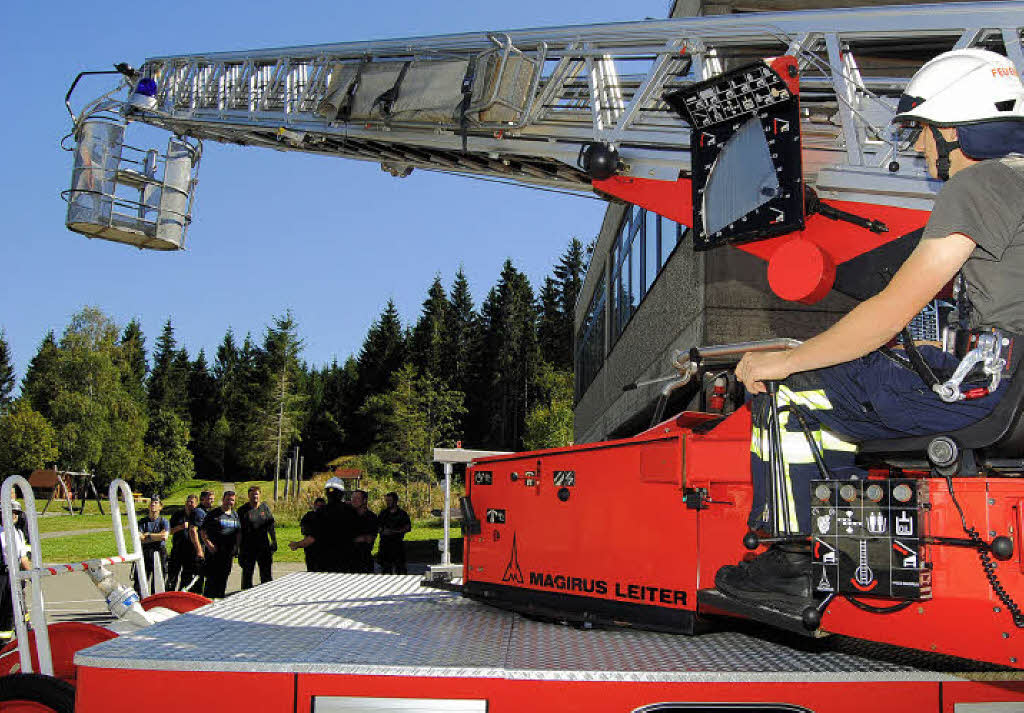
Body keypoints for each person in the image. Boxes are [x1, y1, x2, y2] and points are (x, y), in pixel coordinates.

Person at [715, 48, 1024, 606]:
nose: (922, 148)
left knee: (790, 395)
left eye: (924, 132)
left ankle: (793, 566)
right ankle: (851, 540)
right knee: (850, 391)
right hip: (1011, 383)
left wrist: (783, 360)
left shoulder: (977, 187)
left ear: (956, 130)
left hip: (983, 388)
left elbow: (890, 313)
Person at [289, 478, 354, 573]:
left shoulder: (321, 513)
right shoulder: (351, 511)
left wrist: (297, 544)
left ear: (327, 493)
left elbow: (312, 538)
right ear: (342, 493)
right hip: (347, 561)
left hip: (324, 562)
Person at [0, 502, 31, 642]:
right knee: (5, 611)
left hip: (15, 575)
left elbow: (23, 557)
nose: (14, 515)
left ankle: (26, 636)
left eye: (16, 513)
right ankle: (3, 643)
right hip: (2, 577)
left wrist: (32, 574)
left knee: (20, 607)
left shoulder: (18, 533)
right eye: (11, 512)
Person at [200, 491, 240, 598]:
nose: (229, 502)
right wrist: (209, 544)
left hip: (228, 554)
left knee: (223, 579)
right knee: (212, 579)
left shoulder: (235, 515)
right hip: (214, 553)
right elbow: (202, 531)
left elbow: (238, 532)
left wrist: (236, 547)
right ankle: (207, 602)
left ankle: (219, 599)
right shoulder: (213, 514)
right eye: (227, 499)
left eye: (232, 500)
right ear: (223, 499)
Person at [237, 486, 277, 590]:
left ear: (260, 495)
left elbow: (270, 526)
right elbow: (238, 531)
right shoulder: (242, 511)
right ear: (248, 496)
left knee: (266, 573)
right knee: (247, 573)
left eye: (257, 494)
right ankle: (245, 595)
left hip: (264, 546)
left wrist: (274, 540)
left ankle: (266, 592)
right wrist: (237, 548)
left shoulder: (265, 508)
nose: (255, 496)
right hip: (248, 547)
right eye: (252, 494)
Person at [167, 495, 204, 592]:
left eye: (192, 502)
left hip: (190, 552)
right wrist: (181, 527)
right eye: (188, 501)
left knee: (186, 577)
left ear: (196, 504)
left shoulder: (197, 516)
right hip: (177, 549)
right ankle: (169, 593)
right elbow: (169, 531)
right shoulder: (178, 514)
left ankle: (181, 594)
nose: (189, 504)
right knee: (172, 575)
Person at [136, 496, 169, 592]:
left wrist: (148, 535)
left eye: (156, 503)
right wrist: (156, 536)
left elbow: (164, 537)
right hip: (145, 552)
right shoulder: (142, 522)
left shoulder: (164, 521)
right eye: (152, 503)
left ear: (160, 507)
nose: (153, 504)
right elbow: (140, 538)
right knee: (141, 581)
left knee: (158, 582)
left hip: (159, 552)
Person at [377, 491, 412, 575]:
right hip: (385, 545)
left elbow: (407, 527)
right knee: (385, 570)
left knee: (400, 569)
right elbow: (377, 526)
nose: (388, 503)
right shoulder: (383, 513)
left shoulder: (402, 514)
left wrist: (394, 532)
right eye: (387, 501)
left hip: (397, 545)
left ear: (395, 501)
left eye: (390, 500)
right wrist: (382, 531)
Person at [294, 497, 326, 572]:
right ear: (314, 505)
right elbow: (304, 530)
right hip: (310, 550)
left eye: (322, 506)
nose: (320, 508)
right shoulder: (309, 516)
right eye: (318, 506)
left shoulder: (327, 517)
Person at [351, 490, 378, 574]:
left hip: (364, 561)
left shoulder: (371, 517)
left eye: (357, 498)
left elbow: (369, 538)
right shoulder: (349, 515)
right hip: (349, 561)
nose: (354, 500)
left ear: (364, 500)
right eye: (353, 498)